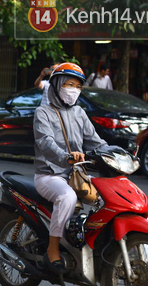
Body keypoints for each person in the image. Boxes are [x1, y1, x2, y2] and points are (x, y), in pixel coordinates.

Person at [33, 63, 106, 274]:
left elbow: (96, 142)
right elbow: (46, 143)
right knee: (67, 197)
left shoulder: (79, 113)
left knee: (107, 199)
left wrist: (117, 153)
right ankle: (53, 249)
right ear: (57, 85)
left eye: (78, 86)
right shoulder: (43, 112)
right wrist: (66, 157)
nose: (73, 89)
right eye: (69, 84)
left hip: (77, 175)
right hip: (49, 176)